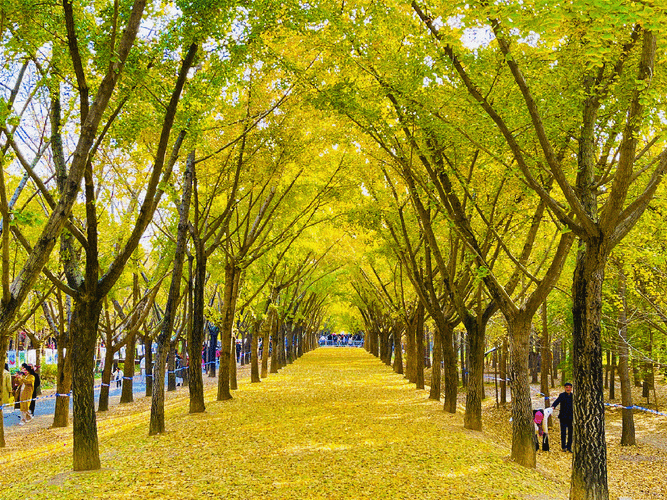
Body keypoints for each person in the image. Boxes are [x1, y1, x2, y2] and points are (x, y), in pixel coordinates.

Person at [552, 382, 573, 452]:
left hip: (571, 418)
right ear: (564, 388)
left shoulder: (573, 396)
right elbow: (557, 401)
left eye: (569, 387)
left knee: (571, 433)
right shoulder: (562, 395)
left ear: (571, 388)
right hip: (563, 417)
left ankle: (569, 447)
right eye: (566, 387)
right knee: (563, 432)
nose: (568, 389)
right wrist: (553, 407)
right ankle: (563, 447)